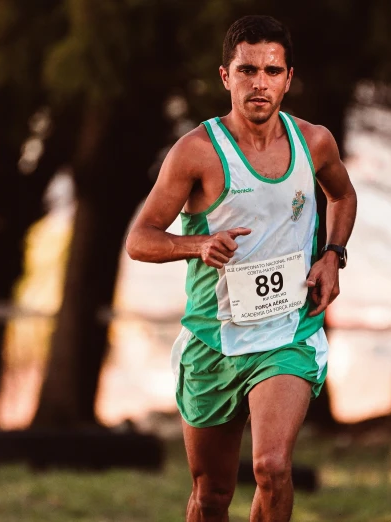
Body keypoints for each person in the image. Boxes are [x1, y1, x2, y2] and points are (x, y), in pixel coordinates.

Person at [125, 14, 357, 522]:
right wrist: (198, 244)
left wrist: (333, 255)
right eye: (247, 69)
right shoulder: (196, 152)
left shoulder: (314, 142)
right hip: (215, 338)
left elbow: (341, 194)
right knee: (211, 495)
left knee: (272, 467)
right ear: (226, 76)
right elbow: (140, 240)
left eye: (272, 71)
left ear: (288, 78)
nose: (260, 82)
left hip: (288, 330)